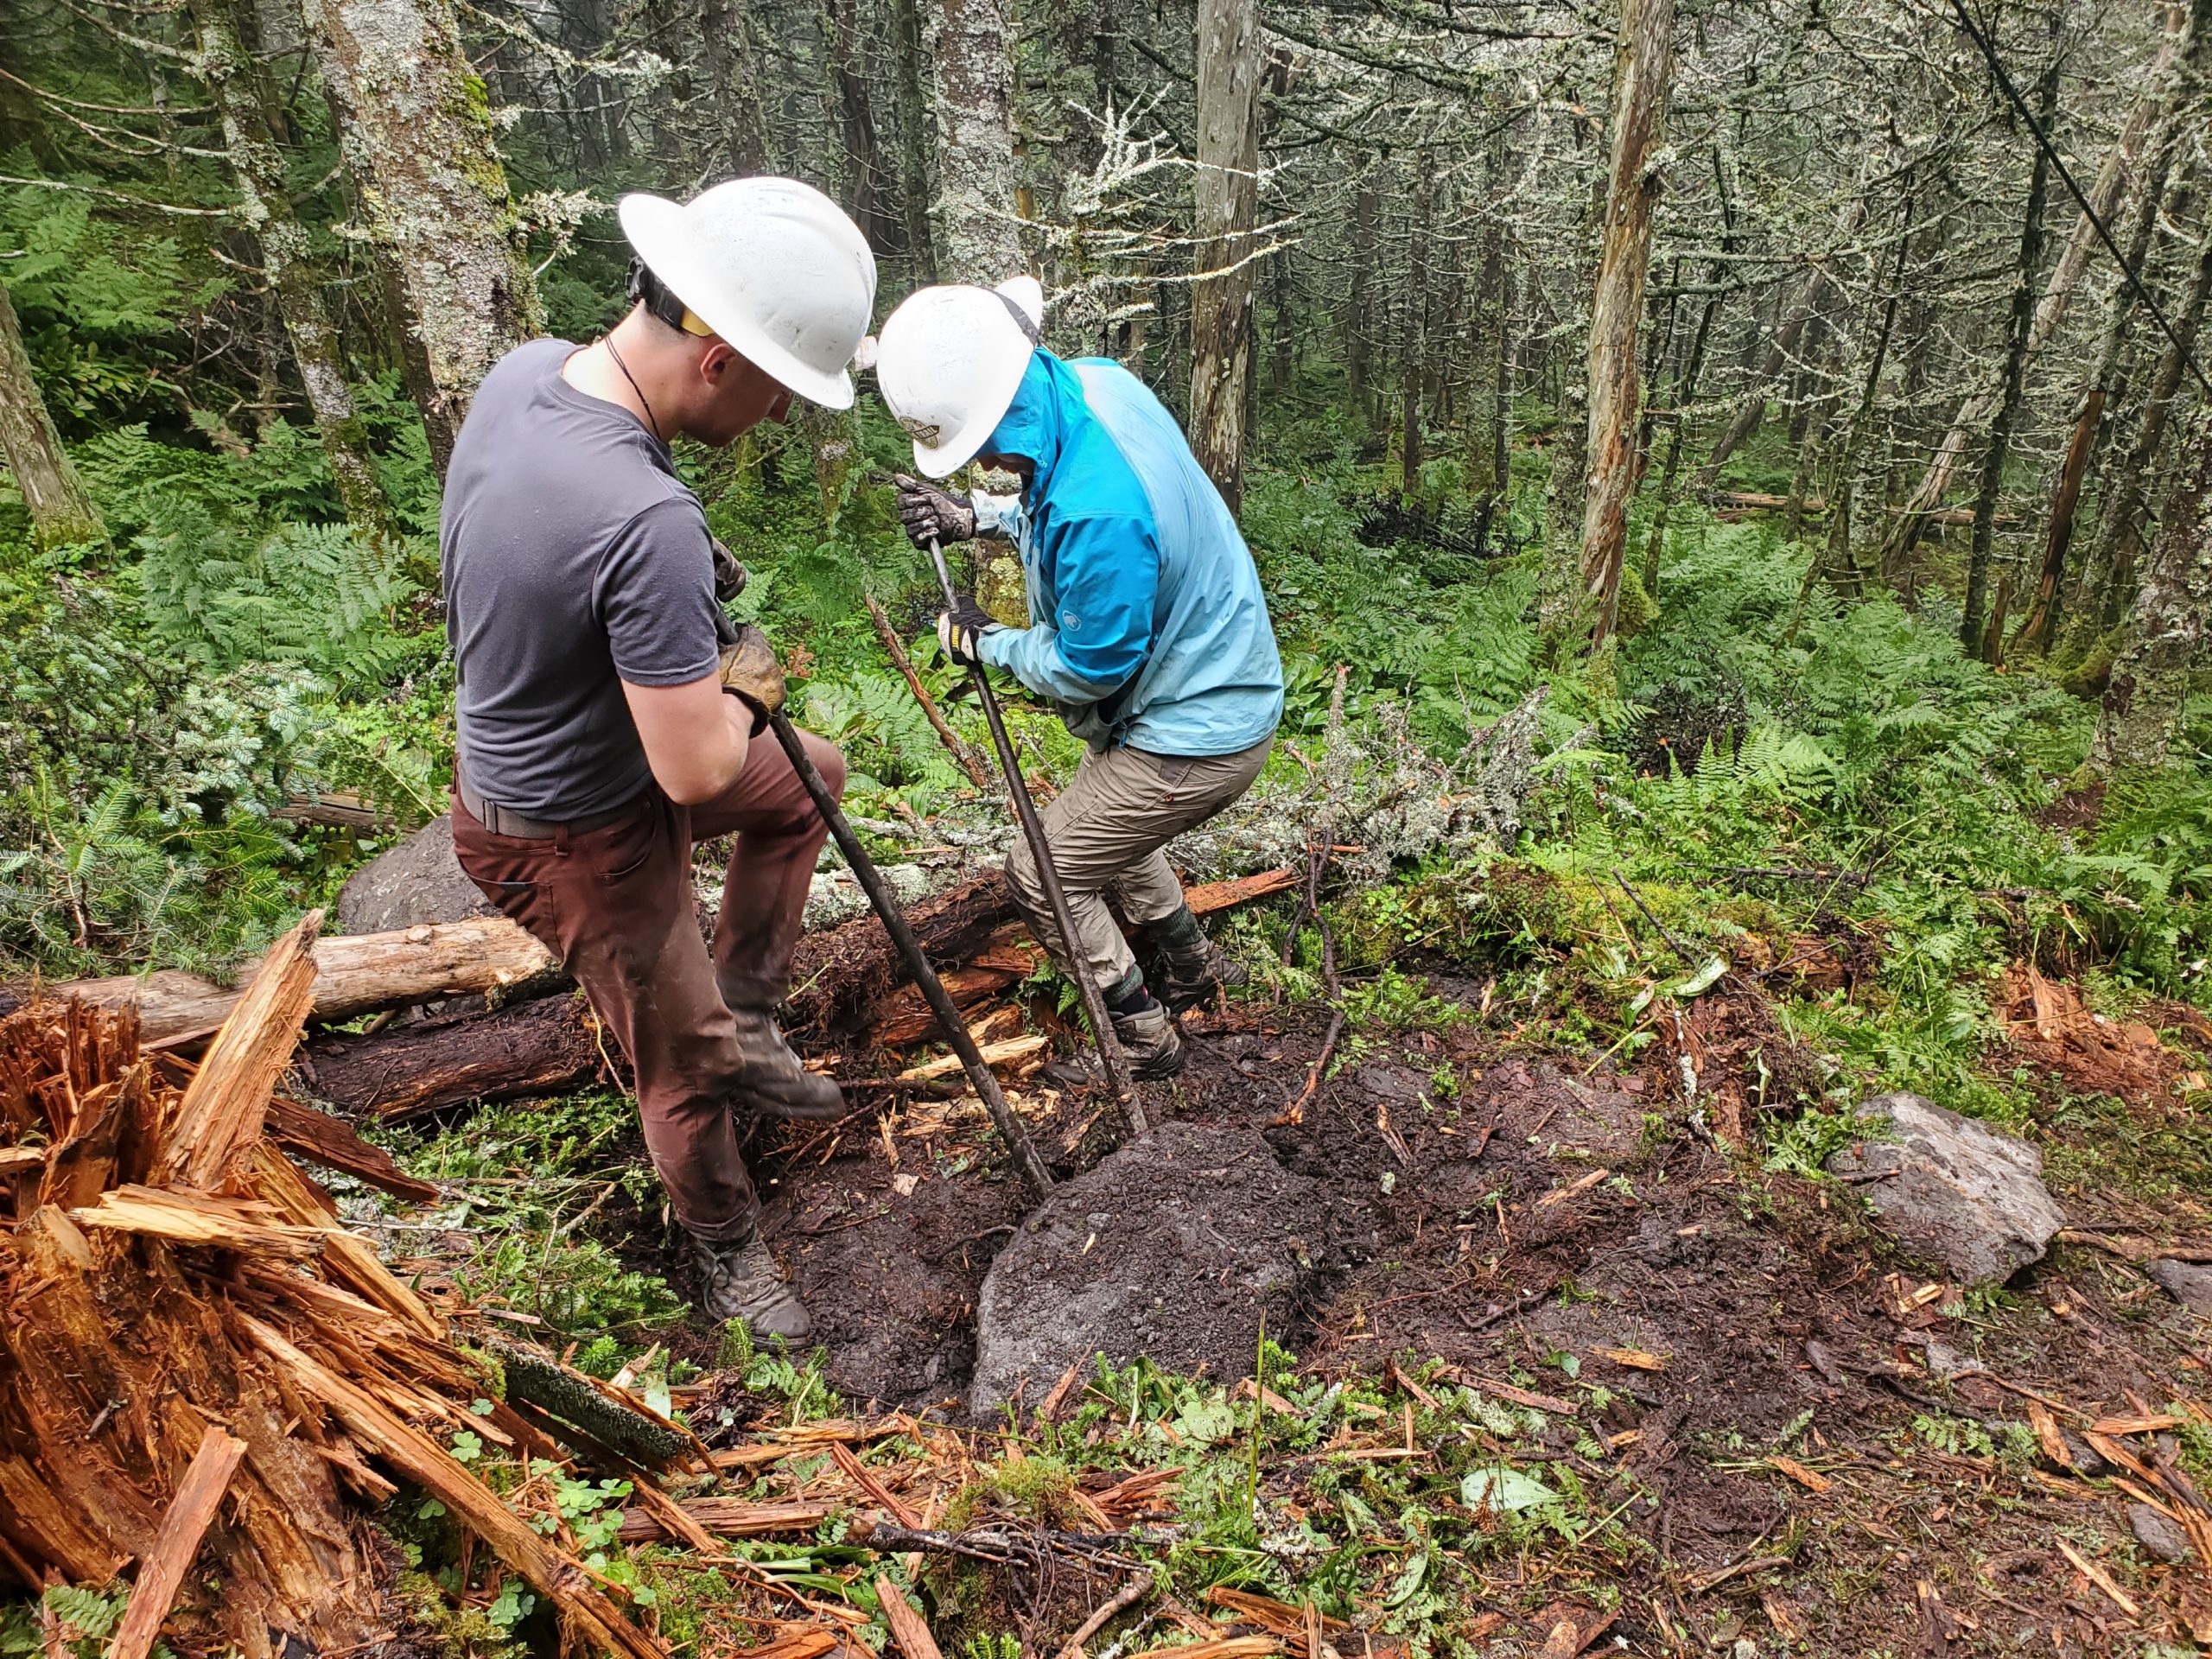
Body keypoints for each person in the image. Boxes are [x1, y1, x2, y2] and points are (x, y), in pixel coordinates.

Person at [440, 177, 875, 1340]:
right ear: (721, 357)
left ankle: (748, 1015)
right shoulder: (642, 521)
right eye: (784, 392)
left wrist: (669, 602)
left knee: (812, 781)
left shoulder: (531, 373)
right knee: (678, 1069)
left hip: (580, 760)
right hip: (570, 830)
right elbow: (694, 773)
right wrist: (747, 680)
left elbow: (558, 537)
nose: (783, 419)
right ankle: (731, 1245)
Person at [872, 277, 1284, 1080]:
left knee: (1045, 873)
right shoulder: (1096, 384)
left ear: (1000, 411)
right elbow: (1054, 493)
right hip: (1205, 686)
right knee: (1103, 832)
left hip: (1198, 730)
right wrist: (975, 516)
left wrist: (987, 644)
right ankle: (1193, 970)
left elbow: (1090, 667)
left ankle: (1142, 1040)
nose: (988, 461)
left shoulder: (1101, 514)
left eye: (984, 446)